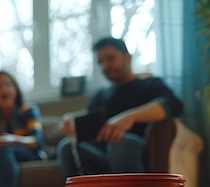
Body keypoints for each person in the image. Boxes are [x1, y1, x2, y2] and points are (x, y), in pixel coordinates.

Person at [56, 37, 184, 177]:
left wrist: (130, 117)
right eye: (101, 62)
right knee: (66, 146)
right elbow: (89, 131)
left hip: (135, 150)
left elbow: (172, 105)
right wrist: (72, 127)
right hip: (101, 154)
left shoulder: (149, 84)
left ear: (127, 57)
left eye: (110, 58)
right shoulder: (100, 96)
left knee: (120, 143)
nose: (105, 66)